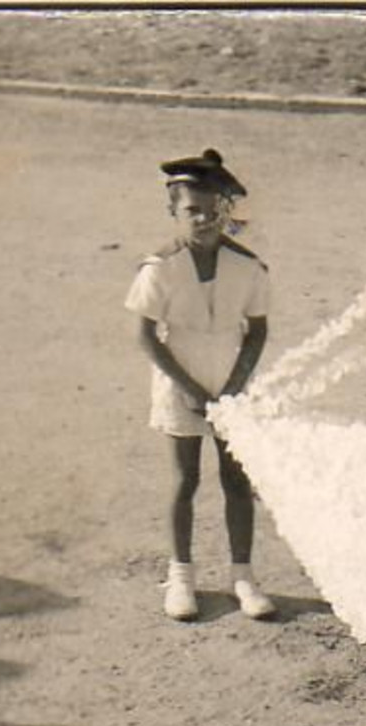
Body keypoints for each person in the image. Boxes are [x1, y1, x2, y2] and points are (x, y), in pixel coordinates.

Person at [126, 149, 274, 621]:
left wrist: (234, 385)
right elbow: (146, 336)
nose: (205, 220)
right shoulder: (160, 268)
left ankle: (243, 577)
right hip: (180, 377)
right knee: (185, 478)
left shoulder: (248, 267)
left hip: (232, 379)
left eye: (214, 211)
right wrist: (189, 387)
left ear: (226, 211)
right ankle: (182, 577)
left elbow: (259, 328)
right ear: (174, 212)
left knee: (237, 479)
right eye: (192, 211)